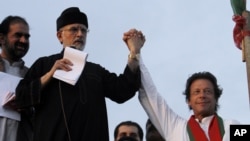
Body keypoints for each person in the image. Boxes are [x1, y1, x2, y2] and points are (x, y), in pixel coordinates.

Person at [15, 7, 145, 141]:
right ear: (60, 36)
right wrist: (50, 75)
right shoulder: (44, 64)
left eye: (84, 30)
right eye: (73, 29)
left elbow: (122, 90)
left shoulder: (96, 71)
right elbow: (21, 97)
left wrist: (134, 52)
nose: (80, 34)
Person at [136, 55, 240, 141]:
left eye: (208, 91)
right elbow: (150, 95)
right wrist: (136, 54)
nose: (202, 95)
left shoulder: (232, 126)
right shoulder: (176, 127)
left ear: (216, 98)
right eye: (196, 92)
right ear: (188, 101)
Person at [0, 16, 31, 141]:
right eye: (18, 35)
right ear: (2, 38)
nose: (23, 40)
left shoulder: (31, 75)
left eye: (27, 37)